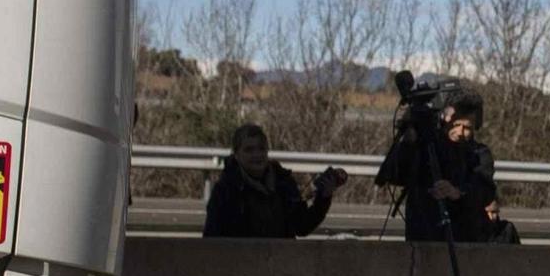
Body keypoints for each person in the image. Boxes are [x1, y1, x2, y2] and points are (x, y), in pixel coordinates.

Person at [375, 91, 495, 244]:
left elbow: (485, 190)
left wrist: (457, 192)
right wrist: (409, 143)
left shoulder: (479, 154)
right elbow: (395, 175)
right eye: (456, 125)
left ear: (476, 127)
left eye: (467, 127)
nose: (459, 132)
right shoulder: (426, 147)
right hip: (422, 232)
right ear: (445, 119)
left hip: (463, 234)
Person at [202, 124, 346, 239]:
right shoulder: (225, 190)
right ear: (237, 155)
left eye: (261, 149)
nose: (256, 155)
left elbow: (302, 227)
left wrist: (323, 198)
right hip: (242, 267)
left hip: (280, 264)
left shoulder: (283, 182)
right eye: (249, 150)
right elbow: (211, 241)